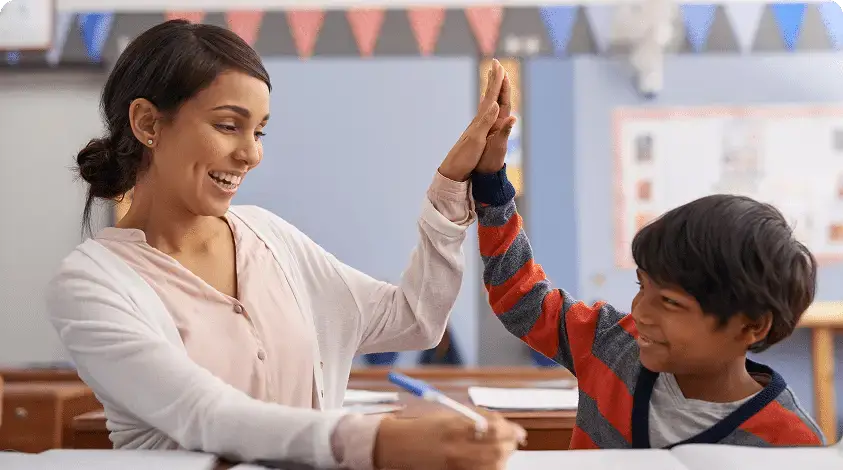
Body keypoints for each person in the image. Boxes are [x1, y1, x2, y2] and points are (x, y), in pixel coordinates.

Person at [46, 20, 524, 470]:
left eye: (259, 131)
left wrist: (451, 184)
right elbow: (204, 414)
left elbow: (415, 319)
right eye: (228, 125)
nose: (251, 153)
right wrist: (378, 441)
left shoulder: (268, 237)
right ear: (148, 123)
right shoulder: (91, 283)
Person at [469, 73, 824, 448]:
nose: (641, 311)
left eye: (670, 301)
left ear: (751, 326)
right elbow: (520, 297)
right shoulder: (613, 344)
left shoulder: (792, 444)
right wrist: (491, 184)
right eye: (642, 286)